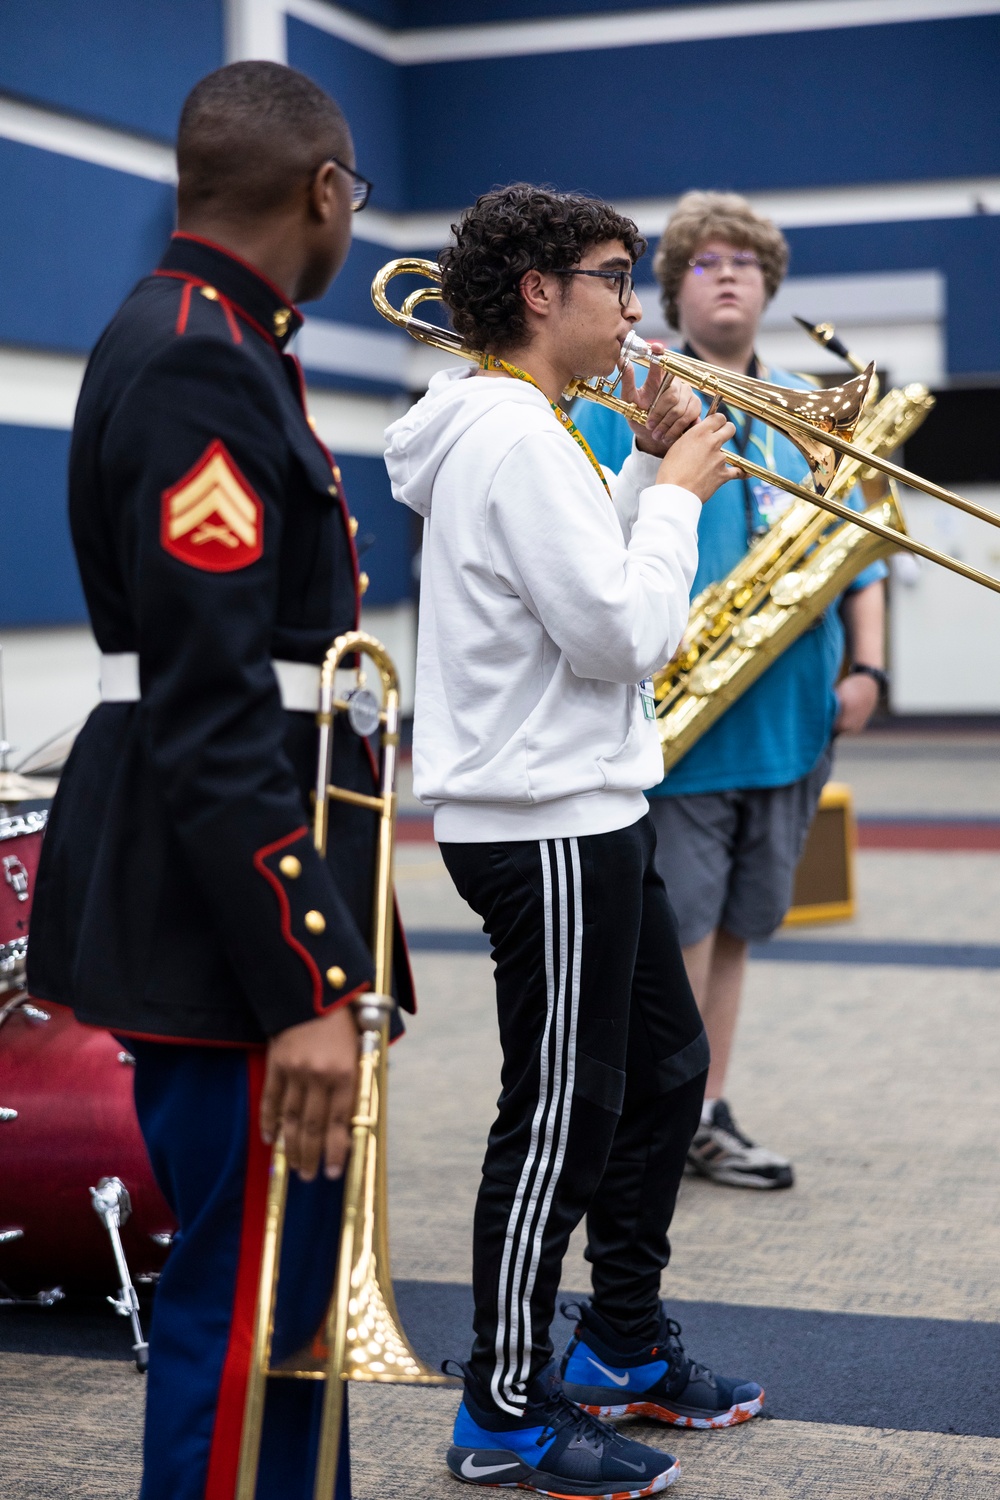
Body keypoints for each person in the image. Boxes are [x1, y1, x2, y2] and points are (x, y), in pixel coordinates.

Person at [27, 62, 412, 1500]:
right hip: (231, 931)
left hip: (229, 907)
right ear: (323, 191)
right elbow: (210, 709)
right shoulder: (200, 353)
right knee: (245, 1321)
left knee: (285, 1318)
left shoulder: (213, 332)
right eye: (352, 195)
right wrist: (307, 983)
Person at [385, 184, 764, 1500]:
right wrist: (673, 492)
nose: (633, 301)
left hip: (587, 808)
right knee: (560, 1114)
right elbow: (618, 632)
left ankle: (617, 1343)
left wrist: (630, 472)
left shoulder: (534, 429)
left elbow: (566, 585)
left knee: (664, 1071)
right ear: (541, 291)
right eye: (614, 274)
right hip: (543, 822)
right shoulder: (505, 431)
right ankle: (502, 1409)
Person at [574, 191, 887, 1190]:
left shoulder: (806, 402)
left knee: (740, 931)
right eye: (704, 263)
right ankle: (657, 1117)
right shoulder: (631, 387)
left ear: (769, 286)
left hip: (793, 719)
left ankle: (703, 1111)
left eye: (744, 264)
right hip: (685, 722)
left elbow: (860, 557)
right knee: (679, 932)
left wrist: (867, 668)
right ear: (673, 286)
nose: (727, 276)